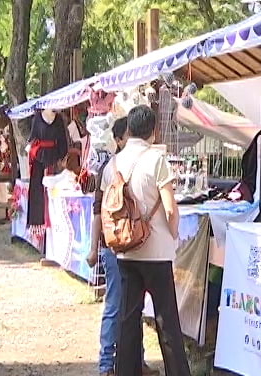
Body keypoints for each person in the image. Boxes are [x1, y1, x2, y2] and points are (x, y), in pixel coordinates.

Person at [102, 105, 189, 376]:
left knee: (128, 321)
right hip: (157, 252)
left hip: (126, 252)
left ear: (129, 129)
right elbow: (171, 208)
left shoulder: (113, 164)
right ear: (153, 130)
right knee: (167, 323)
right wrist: (172, 233)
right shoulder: (155, 160)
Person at [87, 117, 152, 376]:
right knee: (116, 304)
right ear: (118, 140)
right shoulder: (110, 167)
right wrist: (94, 248)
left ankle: (135, 360)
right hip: (115, 246)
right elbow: (97, 211)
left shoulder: (132, 164)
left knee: (134, 305)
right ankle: (106, 363)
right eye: (126, 136)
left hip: (132, 244)